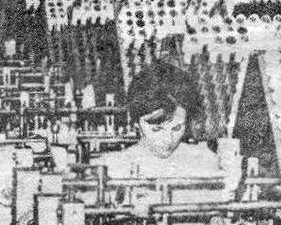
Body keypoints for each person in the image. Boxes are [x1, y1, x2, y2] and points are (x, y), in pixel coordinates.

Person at [91, 60, 221, 179]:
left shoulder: (205, 162)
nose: (168, 140)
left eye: (177, 128)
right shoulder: (110, 168)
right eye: (156, 129)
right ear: (136, 124)